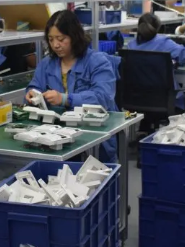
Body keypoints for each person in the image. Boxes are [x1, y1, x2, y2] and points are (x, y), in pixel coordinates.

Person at [25, 10, 119, 163]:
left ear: (74, 36)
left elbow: (103, 97)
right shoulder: (46, 64)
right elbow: (35, 86)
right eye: (51, 39)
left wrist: (65, 99)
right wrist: (31, 93)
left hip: (94, 136)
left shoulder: (97, 62)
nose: (55, 45)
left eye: (61, 39)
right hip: (55, 136)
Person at [126, 13, 185, 113]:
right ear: (158, 27)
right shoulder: (164, 42)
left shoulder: (130, 45)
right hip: (166, 102)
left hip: (135, 101)